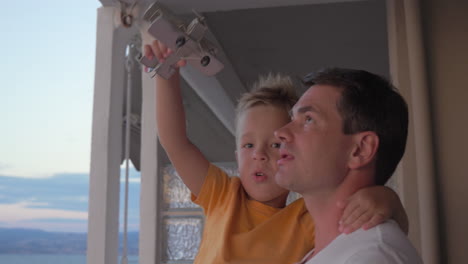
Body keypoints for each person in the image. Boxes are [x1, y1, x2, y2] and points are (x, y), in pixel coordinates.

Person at [144, 41, 409, 264]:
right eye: (248, 145)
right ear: (236, 155)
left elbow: (370, 228)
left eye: (275, 144)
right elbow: (174, 141)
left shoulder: (306, 218)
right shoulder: (223, 195)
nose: (260, 154)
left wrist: (388, 200)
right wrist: (166, 76)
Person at [275, 67, 423, 263]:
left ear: (360, 149)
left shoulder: (372, 257)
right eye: (293, 118)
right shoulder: (332, 253)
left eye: (308, 119)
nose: (280, 132)